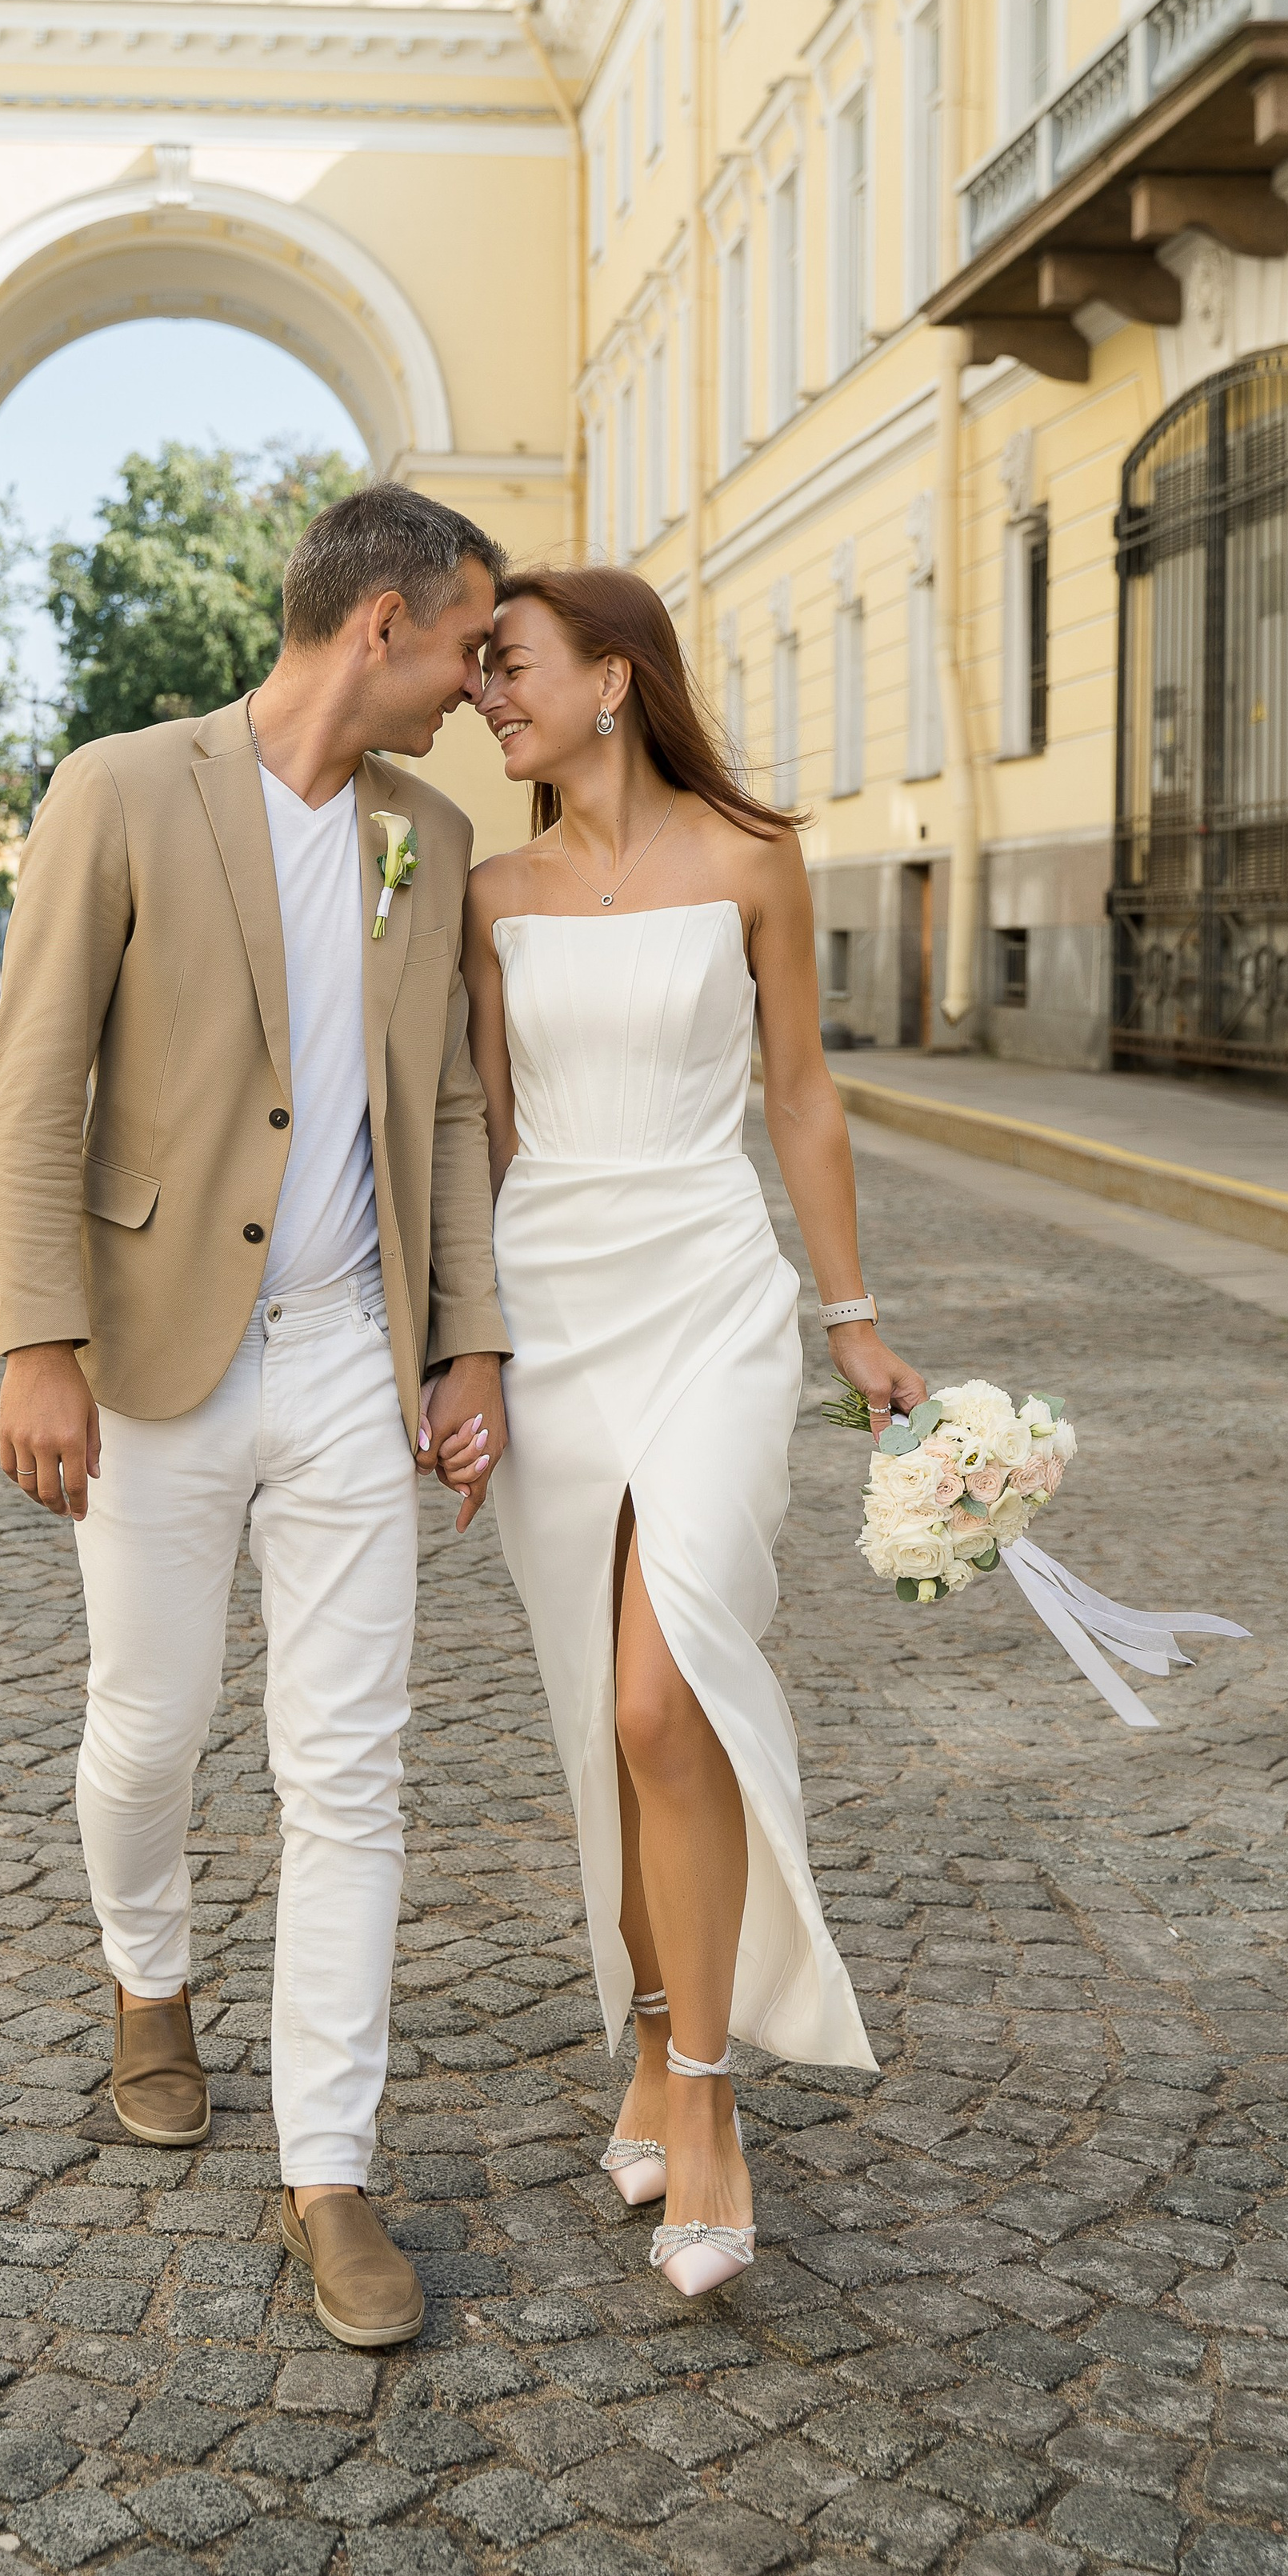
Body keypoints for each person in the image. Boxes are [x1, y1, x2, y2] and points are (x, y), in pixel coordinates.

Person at [0, 484, 512, 2351]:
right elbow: (34, 1085)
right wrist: (35, 1338)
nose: (473, 684)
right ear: (378, 627)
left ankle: (329, 2172)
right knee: (152, 1722)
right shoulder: (122, 789)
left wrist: (468, 1344)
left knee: (347, 1768)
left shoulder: (426, 836)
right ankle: (146, 1977)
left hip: (352, 1358)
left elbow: (440, 1102)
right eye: (461, 645)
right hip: (149, 1358)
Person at [450, 565, 926, 2301]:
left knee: (675, 1687)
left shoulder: (750, 859)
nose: (483, 692)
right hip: (555, 1308)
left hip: (713, 1299)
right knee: (605, 1719)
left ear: (611, 679)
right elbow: (480, 1138)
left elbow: (796, 1091)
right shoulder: (486, 888)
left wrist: (848, 1315)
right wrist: (466, 1356)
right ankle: (649, 2039)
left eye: (508, 665)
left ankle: (709, 2102)